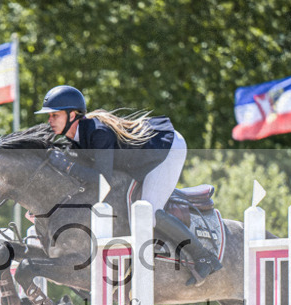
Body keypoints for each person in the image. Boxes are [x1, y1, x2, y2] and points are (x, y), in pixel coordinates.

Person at [35, 85, 221, 286]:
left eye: (55, 115)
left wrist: (67, 165)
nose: (49, 121)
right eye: (49, 116)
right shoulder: (76, 139)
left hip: (166, 148)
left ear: (72, 115)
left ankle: (204, 256)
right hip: (145, 157)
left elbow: (102, 180)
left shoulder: (98, 132)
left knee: (148, 213)